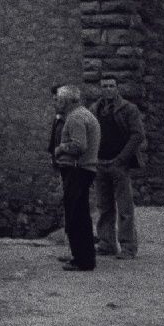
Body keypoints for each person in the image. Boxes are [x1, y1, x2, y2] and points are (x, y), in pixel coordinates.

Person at [92, 76, 146, 259]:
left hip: (119, 165)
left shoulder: (128, 109)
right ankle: (106, 244)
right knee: (104, 206)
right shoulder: (95, 109)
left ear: (117, 88)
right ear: (101, 89)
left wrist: (122, 159)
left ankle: (128, 247)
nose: (108, 89)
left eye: (111, 86)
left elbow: (137, 135)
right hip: (100, 164)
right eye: (105, 86)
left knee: (125, 207)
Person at [52, 84, 101, 271]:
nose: (57, 103)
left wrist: (60, 148)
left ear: (66, 100)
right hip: (84, 169)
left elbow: (79, 145)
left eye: (59, 99)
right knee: (81, 215)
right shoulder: (84, 114)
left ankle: (82, 260)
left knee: (76, 216)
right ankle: (83, 256)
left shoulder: (75, 118)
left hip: (77, 170)